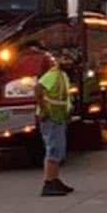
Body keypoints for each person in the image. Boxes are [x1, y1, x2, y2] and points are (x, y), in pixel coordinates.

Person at [34, 47, 74, 197]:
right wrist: (43, 110)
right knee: (53, 149)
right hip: (50, 116)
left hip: (59, 116)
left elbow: (64, 97)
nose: (68, 62)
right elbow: (38, 88)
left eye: (69, 60)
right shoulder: (53, 75)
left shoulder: (63, 75)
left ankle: (55, 179)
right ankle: (49, 183)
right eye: (65, 59)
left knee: (59, 149)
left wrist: (68, 111)